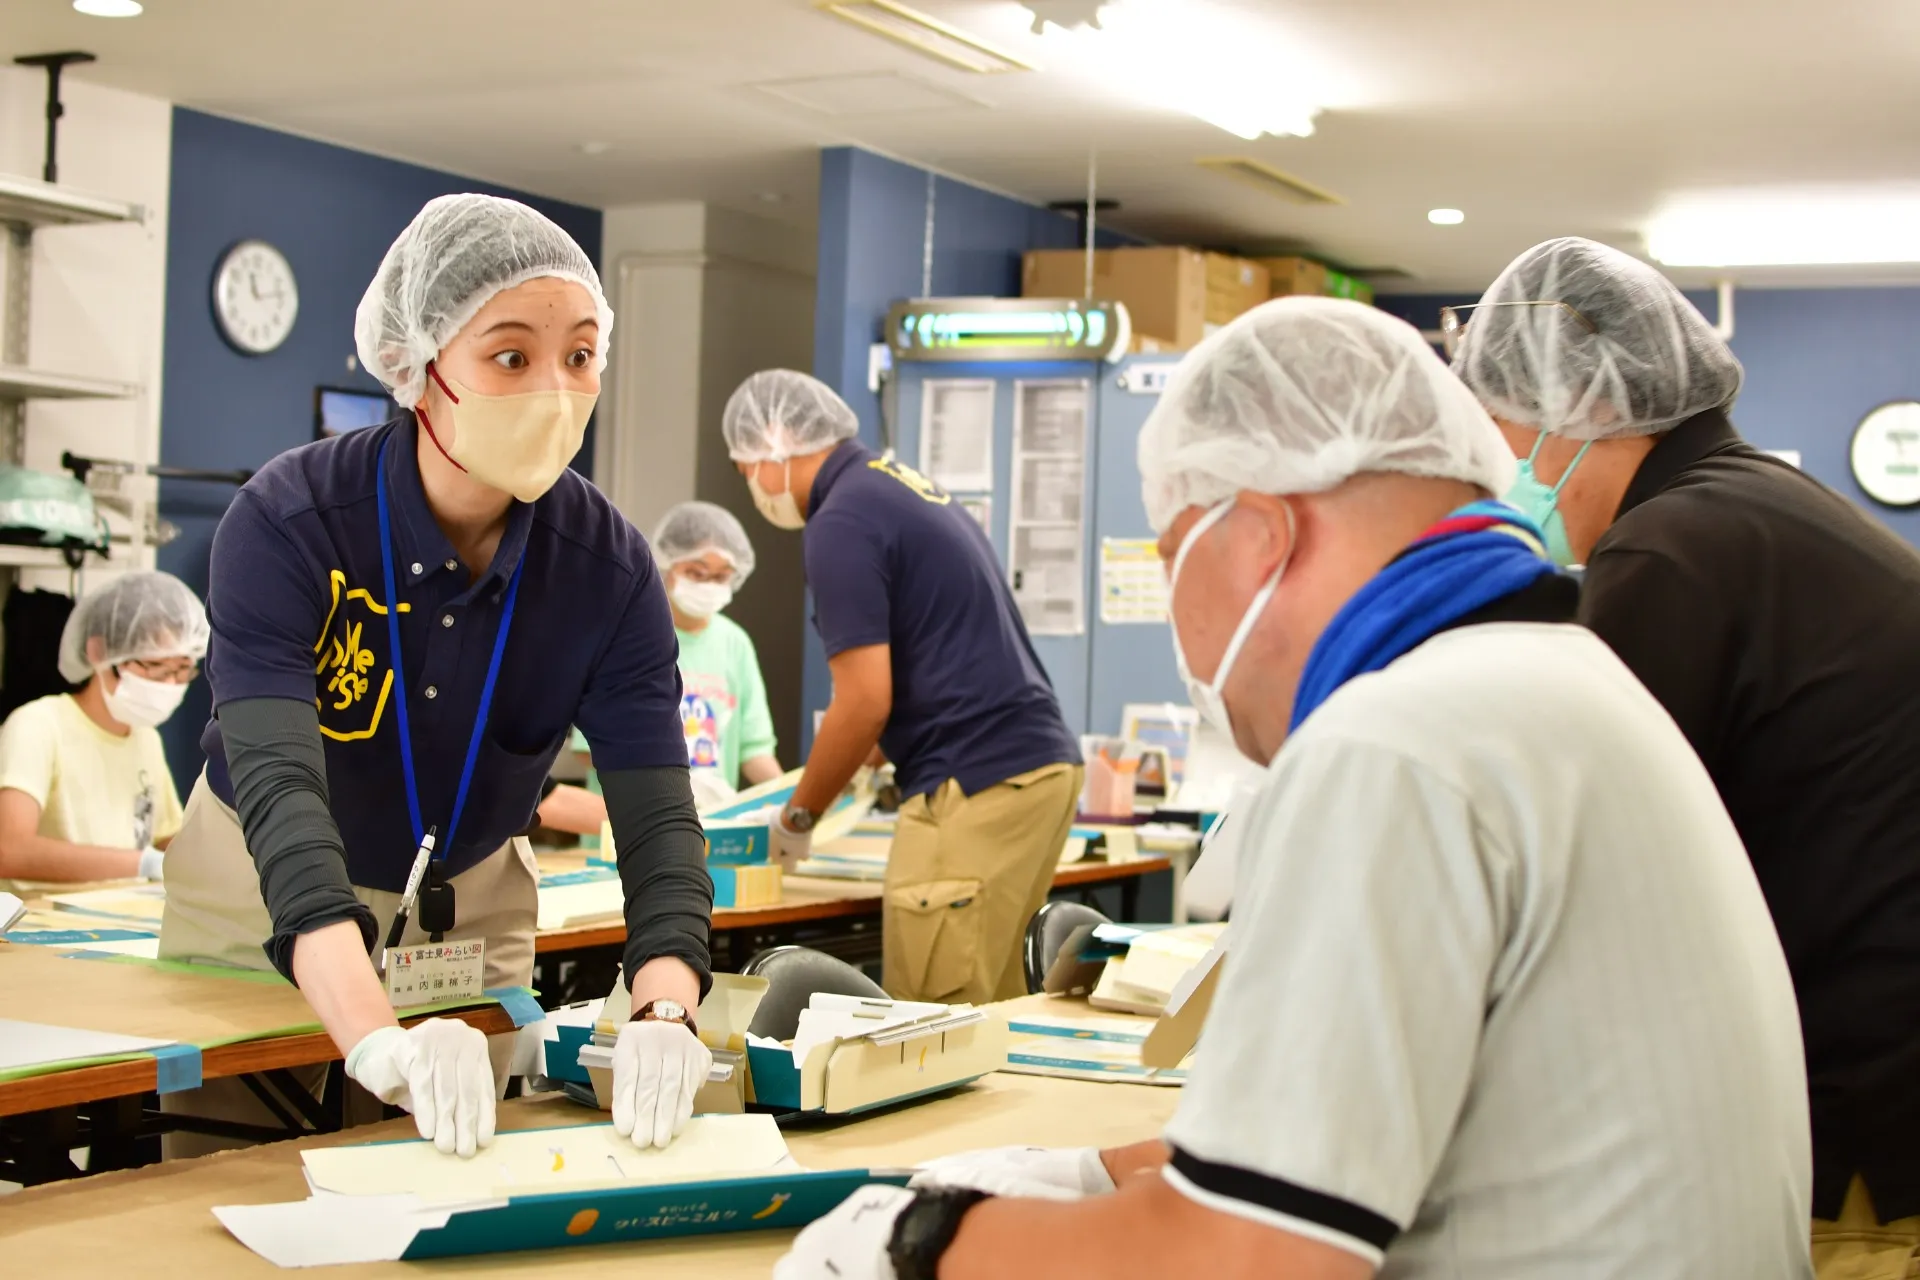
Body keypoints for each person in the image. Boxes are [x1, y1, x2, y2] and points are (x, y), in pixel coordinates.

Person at [774, 299, 1811, 1280]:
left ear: (1262, 535)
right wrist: (1100, 1171)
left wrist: (922, 1239)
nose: (1184, 628)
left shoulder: (1394, 745)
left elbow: (1252, 1261)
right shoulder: (1563, 683)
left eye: (1174, 557)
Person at [157, 193, 714, 1159]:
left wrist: (667, 1008)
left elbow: (659, 822)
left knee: (460, 1175)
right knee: (231, 1189)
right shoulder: (290, 522)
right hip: (260, 887)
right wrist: (374, 1039)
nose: (556, 390)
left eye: (581, 355)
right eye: (512, 357)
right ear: (418, 367)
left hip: (467, 907)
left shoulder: (608, 568)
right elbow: (281, 792)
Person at [1451, 235, 1920, 1277]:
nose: (1508, 472)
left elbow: (1577, 852)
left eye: (1505, 434)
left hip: (1860, 1134)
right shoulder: (1755, 511)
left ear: (1583, 407)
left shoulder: (1671, 548)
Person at [722, 370, 1082, 1004]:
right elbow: (929, 657)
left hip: (974, 781)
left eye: (746, 466)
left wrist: (798, 816)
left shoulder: (840, 520)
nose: (751, 482)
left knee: (934, 1021)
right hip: (1033, 769)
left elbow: (864, 701)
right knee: (992, 1005)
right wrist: (853, 763)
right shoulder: (898, 486)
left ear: (775, 440)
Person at [566, 500, 781, 817]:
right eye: (696, 572)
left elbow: (755, 749)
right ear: (666, 565)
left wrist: (789, 801)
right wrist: (668, 786)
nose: (708, 585)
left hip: (709, 826)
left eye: (721, 576)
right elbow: (589, 748)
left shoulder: (735, 643)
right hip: (628, 827)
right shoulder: (627, 632)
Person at [0, 572, 206, 884]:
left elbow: (168, 839)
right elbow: (9, 851)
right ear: (99, 652)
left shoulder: (145, 738)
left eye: (181, 669)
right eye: (156, 667)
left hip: (125, 909)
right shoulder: (39, 726)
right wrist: (142, 864)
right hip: (45, 912)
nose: (170, 684)